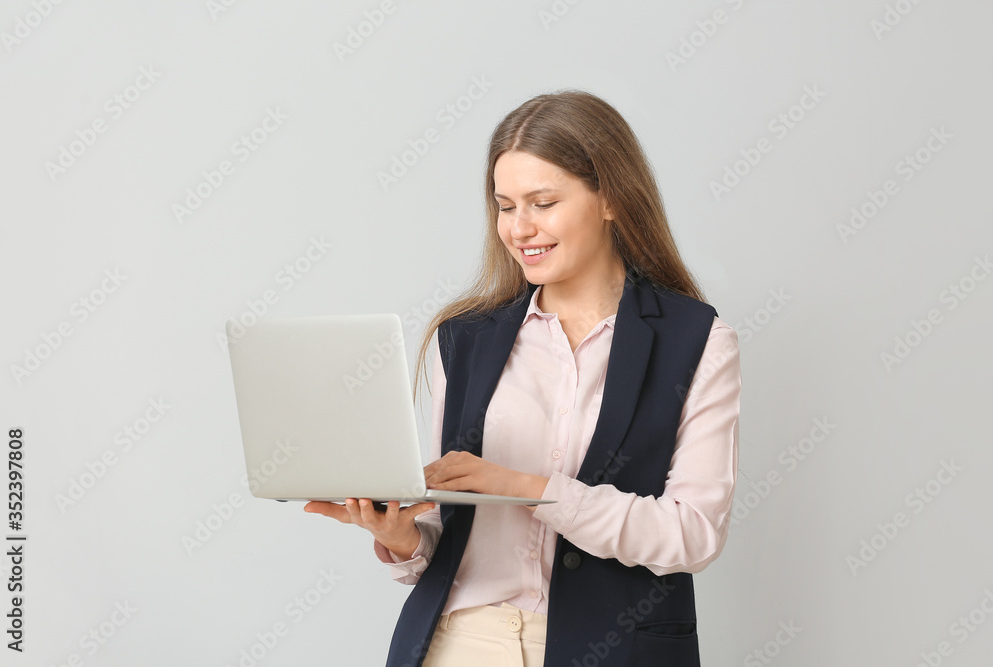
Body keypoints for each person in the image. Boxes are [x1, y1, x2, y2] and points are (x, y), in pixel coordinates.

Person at [304, 90, 741, 667]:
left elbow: (692, 534)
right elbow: (443, 531)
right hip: (460, 645)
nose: (520, 228)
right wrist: (400, 537)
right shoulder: (463, 340)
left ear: (610, 198)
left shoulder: (697, 341)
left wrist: (528, 488)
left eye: (543, 202)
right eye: (505, 206)